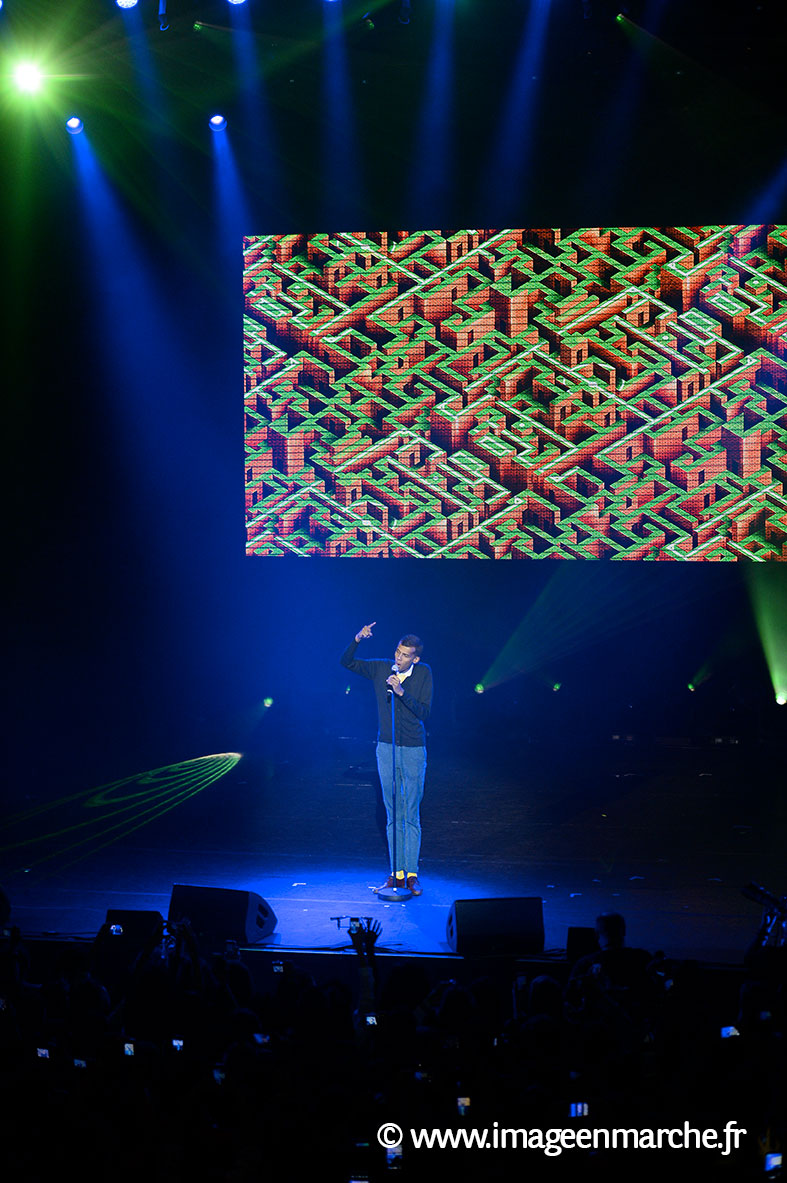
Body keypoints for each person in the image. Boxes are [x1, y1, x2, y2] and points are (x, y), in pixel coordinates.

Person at [341, 622, 432, 896]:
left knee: (410, 813)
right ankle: (396, 874)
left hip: (414, 749)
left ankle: (412, 875)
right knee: (393, 813)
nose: (398, 658)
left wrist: (402, 693)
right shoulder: (382, 668)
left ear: (415, 658)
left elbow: (424, 712)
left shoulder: (424, 673)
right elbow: (347, 662)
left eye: (405, 655)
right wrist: (357, 638)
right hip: (386, 747)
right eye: (397, 652)